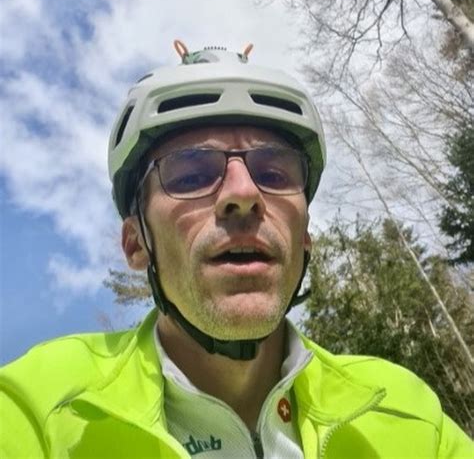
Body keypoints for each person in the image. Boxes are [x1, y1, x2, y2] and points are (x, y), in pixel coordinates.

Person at [0, 40, 472, 459]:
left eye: (274, 174)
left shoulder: (407, 413)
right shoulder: (35, 409)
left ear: (305, 235)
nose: (243, 194)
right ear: (136, 243)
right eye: (191, 175)